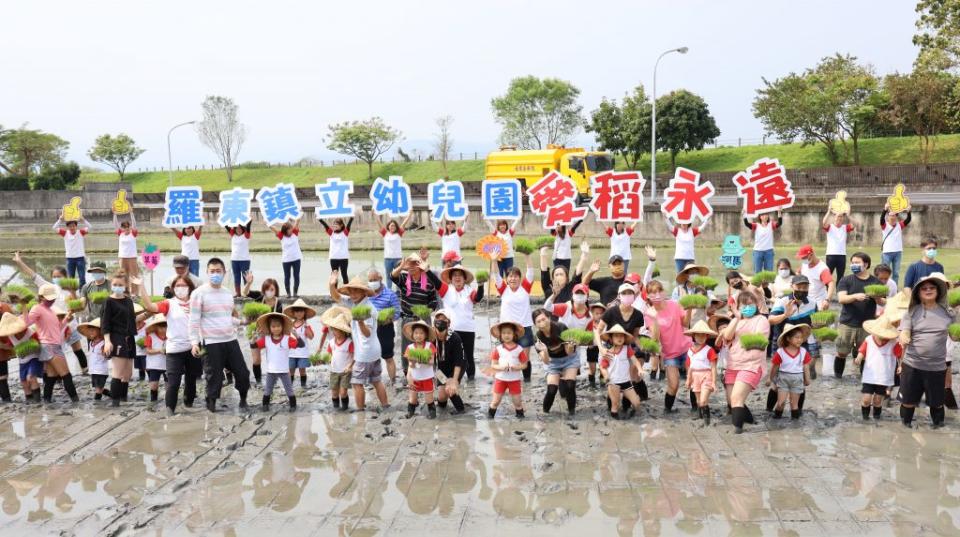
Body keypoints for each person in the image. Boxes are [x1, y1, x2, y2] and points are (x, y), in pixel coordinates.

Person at [189, 258, 251, 413]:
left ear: (224, 273)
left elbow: (226, 317)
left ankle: (243, 399)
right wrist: (194, 342)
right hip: (211, 342)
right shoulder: (198, 293)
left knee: (242, 373)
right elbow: (194, 320)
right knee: (213, 377)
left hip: (230, 340)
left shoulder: (227, 293)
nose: (215, 274)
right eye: (212, 271)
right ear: (207, 272)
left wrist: (243, 322)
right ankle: (211, 406)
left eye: (218, 271)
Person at [11, 252, 89, 374]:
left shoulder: (70, 289)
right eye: (54, 276)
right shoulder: (47, 287)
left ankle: (85, 370)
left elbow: (76, 306)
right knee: (57, 351)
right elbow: (32, 275)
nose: (57, 278)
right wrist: (19, 261)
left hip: (70, 323)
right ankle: (57, 373)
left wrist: (72, 291)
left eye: (59, 276)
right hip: (55, 326)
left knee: (77, 349)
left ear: (65, 276)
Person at [134, 275, 200, 414]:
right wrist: (141, 286)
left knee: (191, 380)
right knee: (173, 382)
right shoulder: (169, 303)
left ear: (190, 288)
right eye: (177, 286)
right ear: (173, 289)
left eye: (184, 286)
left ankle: (189, 406)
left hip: (193, 347)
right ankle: (170, 412)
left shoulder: (196, 302)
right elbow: (150, 306)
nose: (181, 289)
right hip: (174, 349)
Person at [898, 274, 954, 428]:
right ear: (918, 293)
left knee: (936, 403)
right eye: (924, 288)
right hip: (912, 365)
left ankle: (937, 430)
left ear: (938, 290)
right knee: (908, 402)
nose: (928, 290)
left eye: (932, 287)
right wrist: (904, 336)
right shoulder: (912, 312)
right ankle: (905, 429)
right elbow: (904, 331)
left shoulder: (948, 313)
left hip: (937, 367)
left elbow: (955, 336)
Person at [331, 276, 389, 412]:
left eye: (356, 291)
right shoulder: (355, 303)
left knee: (357, 383)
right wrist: (331, 284)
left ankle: (360, 409)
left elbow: (367, 333)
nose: (352, 294)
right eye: (351, 291)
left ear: (364, 292)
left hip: (365, 352)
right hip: (374, 351)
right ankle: (385, 405)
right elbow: (337, 297)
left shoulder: (368, 308)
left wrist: (361, 321)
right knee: (376, 380)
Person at [721, 289, 770, 434]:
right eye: (744, 305)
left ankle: (738, 430)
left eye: (751, 304)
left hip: (751, 364)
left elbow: (760, 339)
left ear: (756, 304)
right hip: (733, 363)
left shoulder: (761, 320)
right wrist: (736, 318)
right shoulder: (736, 321)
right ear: (738, 307)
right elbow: (727, 336)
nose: (748, 307)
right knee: (732, 400)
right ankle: (750, 419)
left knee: (736, 398)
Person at [594, 283, 651, 404]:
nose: (627, 295)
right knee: (612, 376)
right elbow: (598, 331)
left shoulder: (638, 315)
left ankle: (630, 401)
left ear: (634, 295)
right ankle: (612, 404)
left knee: (629, 376)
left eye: (630, 293)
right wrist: (601, 349)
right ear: (619, 296)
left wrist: (643, 346)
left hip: (626, 347)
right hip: (610, 347)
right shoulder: (611, 312)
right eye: (624, 293)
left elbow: (635, 336)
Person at [390, 253, 442, 375]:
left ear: (420, 266)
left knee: (426, 345)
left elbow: (433, 302)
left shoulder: (429, 282)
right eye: (410, 264)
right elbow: (392, 276)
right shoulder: (404, 278)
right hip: (408, 319)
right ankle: (408, 373)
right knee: (407, 347)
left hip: (423, 320)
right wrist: (402, 266)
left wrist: (424, 312)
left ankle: (428, 372)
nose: (412, 267)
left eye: (415, 264)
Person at [644, 280, 692, 412]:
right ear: (648, 296)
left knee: (693, 381)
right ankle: (667, 409)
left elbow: (686, 323)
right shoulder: (649, 313)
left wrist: (689, 309)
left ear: (664, 292)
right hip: (670, 354)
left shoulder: (674, 305)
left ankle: (696, 409)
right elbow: (654, 339)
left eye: (659, 291)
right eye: (653, 292)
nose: (657, 294)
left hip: (687, 348)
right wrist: (654, 320)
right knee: (673, 385)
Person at [835, 252, 885, 378]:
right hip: (847, 323)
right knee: (841, 352)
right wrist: (855, 296)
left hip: (867, 325)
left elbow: (884, 302)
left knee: (865, 353)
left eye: (857, 262)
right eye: (852, 263)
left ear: (866, 264)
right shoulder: (846, 280)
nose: (854, 265)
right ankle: (838, 377)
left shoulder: (876, 282)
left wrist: (877, 298)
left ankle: (864, 378)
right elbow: (841, 298)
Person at [493, 251, 535, 382]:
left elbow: (530, 272)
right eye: (510, 276)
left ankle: (527, 380)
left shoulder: (525, 288)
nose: (513, 278)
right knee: (506, 356)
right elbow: (495, 274)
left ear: (520, 278)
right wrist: (494, 260)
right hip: (507, 329)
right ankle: (505, 379)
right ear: (506, 279)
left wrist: (527, 255)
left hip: (525, 327)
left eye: (516, 276)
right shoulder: (503, 289)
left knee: (524, 358)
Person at [100, 272, 138, 406]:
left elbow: (132, 320)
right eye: (115, 284)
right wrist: (107, 341)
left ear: (126, 285)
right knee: (118, 372)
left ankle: (123, 398)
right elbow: (105, 323)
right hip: (116, 338)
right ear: (111, 285)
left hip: (129, 338)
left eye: (120, 285)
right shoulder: (108, 301)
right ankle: (115, 403)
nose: (117, 286)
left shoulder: (128, 301)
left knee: (127, 373)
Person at [438, 265, 483, 381]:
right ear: (451, 278)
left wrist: (481, 285)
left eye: (460, 275)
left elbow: (477, 298)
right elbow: (435, 282)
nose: (457, 278)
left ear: (464, 278)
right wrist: (427, 270)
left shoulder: (469, 290)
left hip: (468, 329)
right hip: (451, 329)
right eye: (454, 275)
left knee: (468, 356)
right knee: (448, 356)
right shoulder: (446, 289)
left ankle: (471, 381)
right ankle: (447, 380)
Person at [854, 317, 902, 420]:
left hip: (884, 376)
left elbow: (899, 355)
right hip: (870, 375)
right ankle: (865, 418)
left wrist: (900, 365)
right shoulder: (869, 340)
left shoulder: (893, 343)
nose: (884, 337)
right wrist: (858, 359)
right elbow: (862, 352)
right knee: (866, 399)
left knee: (877, 400)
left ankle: (876, 418)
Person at [532, 308, 578, 416]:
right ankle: (545, 413)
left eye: (543, 319)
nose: (542, 323)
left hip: (568, 359)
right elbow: (546, 361)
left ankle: (572, 412)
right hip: (552, 362)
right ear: (535, 324)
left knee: (570, 384)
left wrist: (571, 345)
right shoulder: (538, 337)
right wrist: (544, 350)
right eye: (538, 321)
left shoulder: (561, 327)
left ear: (549, 318)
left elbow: (569, 352)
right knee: (552, 389)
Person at [254, 312, 302, 411]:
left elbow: (301, 345)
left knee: (289, 390)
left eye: (278, 326)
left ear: (282, 326)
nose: (276, 328)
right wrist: (253, 340)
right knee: (268, 390)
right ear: (269, 328)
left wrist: (297, 335)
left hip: (284, 371)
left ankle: (293, 407)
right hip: (271, 371)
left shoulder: (287, 339)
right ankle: (265, 407)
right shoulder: (266, 339)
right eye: (273, 326)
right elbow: (254, 346)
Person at [241, 273, 283, 385]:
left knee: (272, 357)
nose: (269, 291)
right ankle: (259, 381)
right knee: (256, 359)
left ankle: (272, 379)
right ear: (263, 290)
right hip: (255, 332)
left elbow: (279, 320)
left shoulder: (278, 303)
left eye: (272, 289)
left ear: (276, 290)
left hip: (270, 333)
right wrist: (248, 283)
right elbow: (244, 293)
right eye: (267, 289)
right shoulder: (259, 297)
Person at [767, 323, 812, 420]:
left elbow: (806, 367)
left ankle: (795, 424)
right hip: (783, 380)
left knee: (794, 404)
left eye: (801, 337)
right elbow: (774, 367)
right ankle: (776, 420)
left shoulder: (803, 352)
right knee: (781, 403)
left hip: (798, 380)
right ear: (788, 339)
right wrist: (769, 379)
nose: (800, 340)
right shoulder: (781, 352)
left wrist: (807, 379)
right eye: (797, 337)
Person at [599, 324, 642, 420]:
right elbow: (602, 367)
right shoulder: (608, 353)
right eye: (616, 336)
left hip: (626, 381)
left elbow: (635, 360)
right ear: (611, 339)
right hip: (613, 382)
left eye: (621, 336)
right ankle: (615, 422)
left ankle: (632, 416)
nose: (619, 338)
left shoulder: (627, 349)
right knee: (615, 404)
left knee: (637, 403)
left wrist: (640, 369)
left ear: (624, 338)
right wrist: (606, 376)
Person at [366, 268, 401, 384]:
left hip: (385, 329)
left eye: (374, 279)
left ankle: (392, 380)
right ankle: (372, 381)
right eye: (370, 280)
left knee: (388, 356)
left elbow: (397, 313)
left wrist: (387, 320)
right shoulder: (365, 294)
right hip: (370, 329)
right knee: (370, 357)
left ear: (380, 279)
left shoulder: (390, 294)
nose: (372, 282)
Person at [487, 321, 528, 419]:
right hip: (500, 379)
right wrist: (501, 367)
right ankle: (489, 418)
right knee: (496, 401)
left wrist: (516, 367)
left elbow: (525, 365)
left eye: (509, 333)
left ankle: (521, 418)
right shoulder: (498, 349)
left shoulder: (519, 349)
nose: (506, 335)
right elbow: (493, 365)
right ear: (500, 335)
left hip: (514, 380)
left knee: (517, 402)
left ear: (514, 334)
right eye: (504, 333)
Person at [0, 312, 42, 403]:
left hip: (34, 358)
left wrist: (31, 347)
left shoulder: (29, 332)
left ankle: (37, 402)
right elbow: (10, 346)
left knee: (30, 377)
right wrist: (2, 346)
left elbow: (39, 345)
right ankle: (29, 400)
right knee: (24, 382)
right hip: (22, 362)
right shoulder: (10, 336)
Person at [684, 320, 719, 424]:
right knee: (699, 401)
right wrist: (688, 379)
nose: (700, 337)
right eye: (698, 335)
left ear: (707, 336)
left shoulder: (709, 350)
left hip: (706, 376)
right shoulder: (690, 350)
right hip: (695, 376)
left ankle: (707, 420)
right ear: (694, 336)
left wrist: (714, 382)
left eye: (703, 335)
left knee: (703, 401)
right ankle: (701, 417)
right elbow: (690, 367)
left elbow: (713, 367)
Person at [431, 310, 467, 414]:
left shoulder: (455, 337)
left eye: (443, 320)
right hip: (440, 367)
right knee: (442, 397)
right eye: (438, 319)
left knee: (450, 388)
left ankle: (461, 411)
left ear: (448, 323)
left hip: (457, 366)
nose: (440, 321)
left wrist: (454, 380)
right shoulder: (431, 336)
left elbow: (458, 362)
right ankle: (442, 408)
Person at [403, 320, 438, 419]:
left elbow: (431, 362)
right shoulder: (410, 348)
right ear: (412, 334)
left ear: (426, 334)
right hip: (415, 377)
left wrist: (420, 359)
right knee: (413, 397)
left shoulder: (429, 346)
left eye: (421, 333)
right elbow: (411, 366)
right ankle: (410, 411)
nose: (419, 335)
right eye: (416, 333)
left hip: (427, 377)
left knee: (429, 398)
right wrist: (409, 376)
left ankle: (432, 412)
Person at [321, 308, 354, 411]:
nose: (334, 332)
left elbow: (355, 356)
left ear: (343, 331)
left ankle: (345, 408)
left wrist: (350, 366)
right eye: (333, 329)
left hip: (345, 371)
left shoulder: (349, 342)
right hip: (334, 370)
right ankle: (336, 409)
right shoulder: (331, 342)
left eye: (337, 330)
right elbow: (329, 355)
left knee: (343, 392)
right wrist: (323, 360)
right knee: (334, 392)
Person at [282, 299, 315, 389]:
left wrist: (306, 326)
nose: (299, 313)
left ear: (304, 312)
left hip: (303, 353)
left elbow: (311, 337)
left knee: (302, 370)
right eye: (297, 311)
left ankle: (303, 387)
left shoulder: (306, 325)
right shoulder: (290, 324)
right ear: (293, 313)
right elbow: (285, 337)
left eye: (301, 311)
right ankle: (289, 387)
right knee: (290, 370)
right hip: (291, 352)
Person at [377, 213, 413, 289]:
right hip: (388, 259)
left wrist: (409, 214)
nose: (392, 227)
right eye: (391, 225)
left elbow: (404, 223)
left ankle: (398, 291)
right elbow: (379, 224)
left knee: (398, 275)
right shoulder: (385, 234)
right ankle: (389, 291)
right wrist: (374, 214)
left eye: (394, 225)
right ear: (388, 227)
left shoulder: (399, 233)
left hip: (397, 259)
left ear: (396, 227)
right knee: (388, 276)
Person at [879, 202, 912, 286]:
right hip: (886, 253)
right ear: (888, 216)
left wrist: (908, 212)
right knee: (884, 272)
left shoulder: (899, 225)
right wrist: (885, 209)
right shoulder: (884, 225)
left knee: (896, 273)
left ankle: (895, 289)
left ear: (896, 217)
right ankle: (884, 289)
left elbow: (908, 220)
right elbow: (881, 219)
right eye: (890, 215)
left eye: (894, 215)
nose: (892, 217)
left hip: (898, 252)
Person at [53, 213, 90, 287]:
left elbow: (90, 227)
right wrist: (60, 219)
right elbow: (54, 228)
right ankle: (72, 293)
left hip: (80, 258)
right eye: (70, 226)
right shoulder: (65, 233)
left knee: (82, 277)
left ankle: (82, 292)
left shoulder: (80, 232)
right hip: (70, 259)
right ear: (67, 227)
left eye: (73, 226)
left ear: (76, 226)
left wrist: (83, 220)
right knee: (71, 277)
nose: (72, 228)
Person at [76, 318, 109, 400]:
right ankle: (114, 395)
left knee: (98, 389)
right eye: (89, 331)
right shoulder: (91, 343)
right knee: (98, 387)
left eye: (93, 330)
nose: (91, 332)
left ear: (100, 331)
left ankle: (97, 403)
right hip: (93, 370)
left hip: (101, 371)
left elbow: (107, 356)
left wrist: (105, 353)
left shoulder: (103, 343)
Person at [270, 218, 303, 297]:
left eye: (291, 229)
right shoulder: (282, 236)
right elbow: (274, 229)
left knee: (296, 276)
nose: (291, 230)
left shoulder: (295, 233)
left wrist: (298, 218)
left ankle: (295, 293)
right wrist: (268, 224)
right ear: (285, 230)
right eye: (289, 229)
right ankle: (288, 293)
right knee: (287, 277)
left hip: (296, 259)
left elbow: (297, 223)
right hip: (286, 260)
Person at [796, 245, 835, 311]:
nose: (802, 260)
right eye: (802, 258)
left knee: (817, 319)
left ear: (811, 255)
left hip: (819, 301)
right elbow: (798, 272)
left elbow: (831, 283)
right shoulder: (804, 264)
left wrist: (827, 300)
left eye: (804, 257)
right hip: (805, 298)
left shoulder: (822, 269)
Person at [821, 211, 854, 280]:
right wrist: (829, 212)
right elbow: (824, 222)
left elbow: (854, 224)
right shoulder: (830, 227)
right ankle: (828, 290)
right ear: (834, 218)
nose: (839, 218)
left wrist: (848, 215)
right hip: (831, 255)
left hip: (842, 255)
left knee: (840, 276)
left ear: (843, 219)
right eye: (838, 216)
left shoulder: (845, 227)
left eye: (841, 216)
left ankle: (839, 290)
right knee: (828, 276)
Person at [143, 315, 168, 403]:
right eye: (160, 327)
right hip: (153, 365)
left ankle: (168, 402)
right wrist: (159, 351)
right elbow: (148, 350)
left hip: (167, 365)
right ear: (156, 327)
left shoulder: (171, 337)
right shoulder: (150, 336)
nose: (163, 329)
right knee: (153, 385)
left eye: (165, 327)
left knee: (168, 386)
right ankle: (154, 401)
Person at [319, 216, 353, 282]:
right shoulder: (331, 233)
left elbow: (349, 225)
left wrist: (351, 218)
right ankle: (334, 290)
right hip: (333, 257)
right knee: (334, 276)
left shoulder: (345, 233)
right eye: (334, 224)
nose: (335, 226)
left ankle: (346, 291)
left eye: (336, 224)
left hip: (343, 258)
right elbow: (325, 226)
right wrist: (320, 219)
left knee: (344, 274)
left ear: (341, 225)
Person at [113, 213, 140, 293]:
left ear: (129, 227)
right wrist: (115, 214)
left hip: (132, 257)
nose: (126, 228)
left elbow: (134, 224)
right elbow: (115, 224)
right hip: (122, 257)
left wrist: (132, 214)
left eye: (127, 226)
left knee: (134, 275)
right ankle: (125, 292)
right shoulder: (120, 234)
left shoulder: (133, 234)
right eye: (124, 227)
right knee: (123, 275)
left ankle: (134, 293)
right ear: (122, 228)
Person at [226, 221, 252, 296]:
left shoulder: (246, 235)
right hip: (234, 260)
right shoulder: (233, 235)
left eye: (240, 228)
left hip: (244, 260)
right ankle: (238, 293)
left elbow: (248, 226)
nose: (238, 230)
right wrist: (220, 216)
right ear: (235, 229)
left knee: (246, 278)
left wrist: (250, 220)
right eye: (237, 228)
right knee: (236, 277)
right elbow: (226, 226)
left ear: (243, 229)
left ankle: (246, 293)